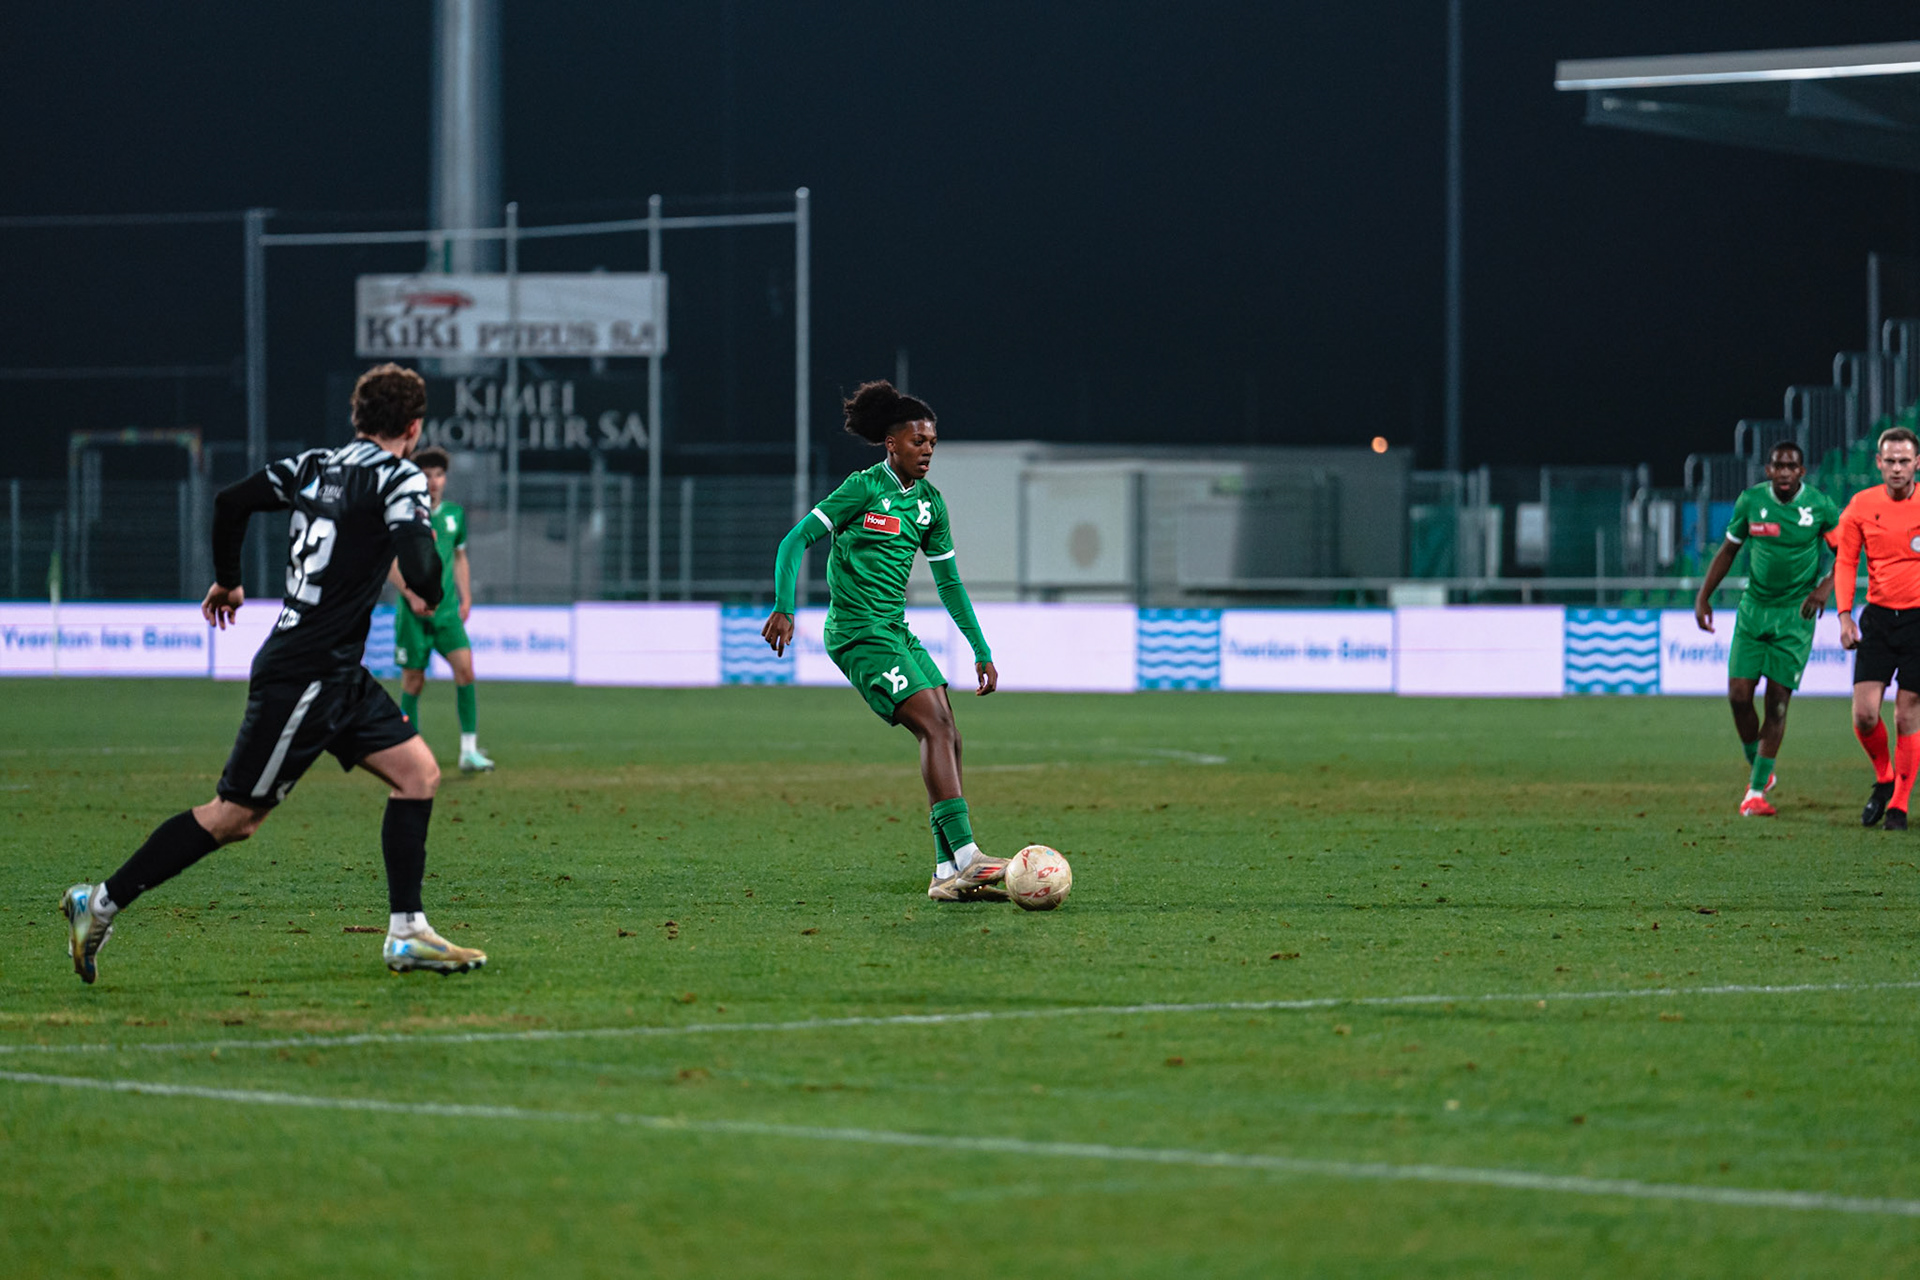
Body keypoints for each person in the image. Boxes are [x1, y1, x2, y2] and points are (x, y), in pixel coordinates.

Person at [61, 363, 487, 982]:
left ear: (358, 417)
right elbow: (422, 572)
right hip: (307, 672)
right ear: (415, 428)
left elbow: (232, 501)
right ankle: (96, 903)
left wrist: (229, 579)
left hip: (336, 669)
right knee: (235, 817)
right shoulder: (400, 478)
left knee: (418, 773)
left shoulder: (315, 465)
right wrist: (425, 574)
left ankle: (406, 932)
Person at [761, 381, 1005, 901]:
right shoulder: (864, 488)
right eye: (918, 441)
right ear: (891, 443)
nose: (927, 451)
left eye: (933, 443)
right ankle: (967, 857)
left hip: (893, 629)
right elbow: (795, 539)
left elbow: (949, 583)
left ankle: (945, 873)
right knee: (935, 728)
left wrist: (980, 648)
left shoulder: (931, 507)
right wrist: (785, 606)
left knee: (950, 733)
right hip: (856, 632)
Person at [1693, 440, 1838, 816]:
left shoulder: (1820, 506)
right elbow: (1727, 551)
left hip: (1796, 615)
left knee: (1777, 703)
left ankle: (1755, 791)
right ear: (1768, 470)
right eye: (1778, 466)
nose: (1785, 472)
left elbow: (1848, 552)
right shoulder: (1750, 501)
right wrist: (1703, 596)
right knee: (1738, 696)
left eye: (1792, 467)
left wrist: (1825, 587)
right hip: (1754, 610)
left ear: (1802, 472)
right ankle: (1757, 760)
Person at [386, 445, 493, 772]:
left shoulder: (454, 515)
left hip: (446, 613)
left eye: (438, 474)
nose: (433, 481)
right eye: (426, 475)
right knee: (413, 682)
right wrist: (412, 597)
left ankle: (469, 752)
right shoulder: (403, 513)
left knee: (466, 671)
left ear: (445, 479)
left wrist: (466, 597)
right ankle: (410, 757)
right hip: (413, 615)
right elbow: (390, 562)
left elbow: (459, 557)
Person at [1836, 425, 1920, 831]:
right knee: (1865, 715)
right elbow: (1846, 562)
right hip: (1880, 617)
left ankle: (1900, 805)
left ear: (1917, 463)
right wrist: (1844, 615)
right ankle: (1885, 777)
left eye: (1905, 461)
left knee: (1907, 716)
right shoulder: (1860, 506)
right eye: (1891, 461)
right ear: (1879, 463)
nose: (1898, 468)